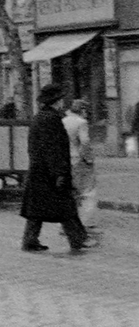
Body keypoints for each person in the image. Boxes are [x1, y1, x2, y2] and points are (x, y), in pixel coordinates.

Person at [21, 83, 93, 252]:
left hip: (39, 170)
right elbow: (53, 148)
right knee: (65, 206)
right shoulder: (51, 119)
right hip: (50, 173)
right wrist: (59, 173)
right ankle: (78, 239)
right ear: (56, 101)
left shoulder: (39, 117)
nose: (62, 103)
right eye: (61, 99)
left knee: (37, 210)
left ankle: (30, 240)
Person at [63, 98, 98, 231]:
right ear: (82, 110)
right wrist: (88, 159)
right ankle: (87, 221)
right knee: (87, 191)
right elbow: (84, 142)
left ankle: (69, 221)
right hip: (79, 160)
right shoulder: (81, 122)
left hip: (67, 161)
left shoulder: (63, 121)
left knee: (71, 192)